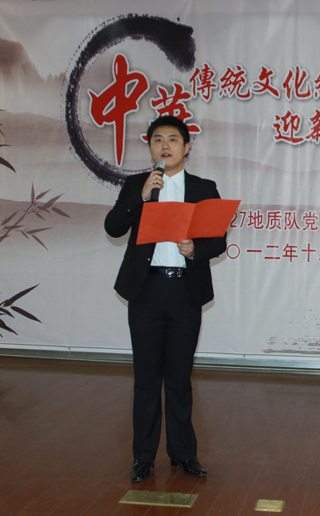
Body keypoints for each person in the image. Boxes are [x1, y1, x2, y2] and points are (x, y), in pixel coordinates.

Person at [104, 116, 226, 482]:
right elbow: (113, 227)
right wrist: (141, 198)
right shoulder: (137, 185)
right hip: (146, 291)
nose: (165, 145)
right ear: (150, 147)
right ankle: (143, 456)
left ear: (187, 147)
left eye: (173, 139)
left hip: (185, 291)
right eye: (158, 139)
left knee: (179, 378)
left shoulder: (203, 187)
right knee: (146, 379)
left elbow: (218, 240)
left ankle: (183, 453)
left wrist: (195, 249)